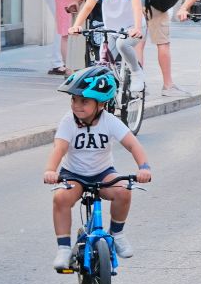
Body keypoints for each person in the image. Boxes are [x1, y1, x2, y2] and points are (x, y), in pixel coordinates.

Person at [42, 67, 152, 271]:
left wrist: (143, 167)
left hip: (103, 173)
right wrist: (51, 170)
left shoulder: (110, 121)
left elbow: (132, 144)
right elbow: (60, 148)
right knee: (60, 198)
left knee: (124, 191)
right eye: (74, 100)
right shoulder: (68, 122)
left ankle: (117, 234)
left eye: (84, 101)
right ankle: (64, 249)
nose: (76, 105)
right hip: (74, 175)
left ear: (101, 103)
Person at [67, 0, 146, 94]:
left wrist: (137, 28)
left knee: (123, 44)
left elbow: (137, 7)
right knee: (103, 61)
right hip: (112, 30)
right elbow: (88, 7)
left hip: (132, 27)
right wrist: (76, 25)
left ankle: (136, 72)